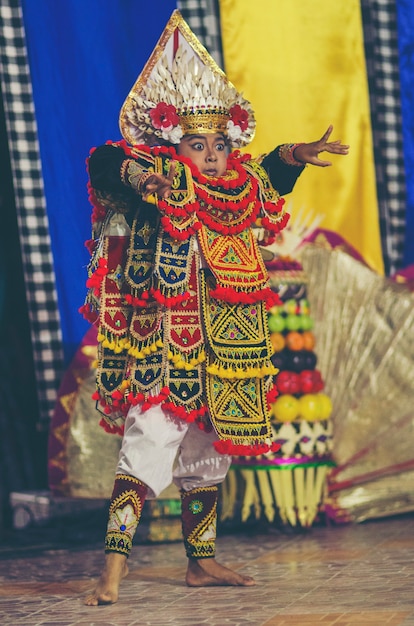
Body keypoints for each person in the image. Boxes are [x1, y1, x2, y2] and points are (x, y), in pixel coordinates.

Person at [81, 10, 349, 606]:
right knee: (146, 448)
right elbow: (104, 164)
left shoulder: (239, 187)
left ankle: (200, 565)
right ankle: (112, 574)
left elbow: (267, 178)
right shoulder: (158, 184)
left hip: (225, 353)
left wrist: (292, 155)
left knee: (207, 459)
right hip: (165, 351)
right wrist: (138, 175)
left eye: (219, 144)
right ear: (176, 148)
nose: (210, 155)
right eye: (196, 145)